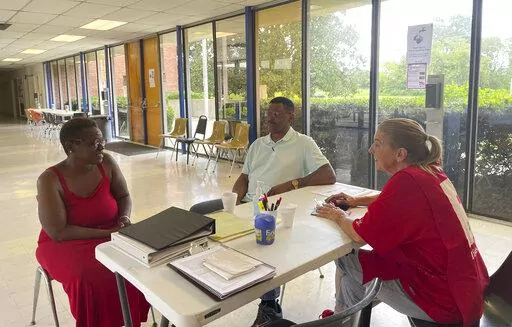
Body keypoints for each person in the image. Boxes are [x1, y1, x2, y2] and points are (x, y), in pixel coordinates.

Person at [316, 118, 489, 326]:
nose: (371, 150)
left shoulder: (407, 181)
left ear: (400, 154)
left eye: (378, 143)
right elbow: (394, 199)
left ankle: (340, 318)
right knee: (352, 283)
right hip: (464, 289)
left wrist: (337, 214)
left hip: (441, 297)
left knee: (345, 258)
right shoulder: (430, 171)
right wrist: (356, 200)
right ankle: (342, 319)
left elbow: (359, 234)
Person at [190, 96, 336, 326]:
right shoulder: (258, 144)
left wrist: (292, 184)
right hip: (248, 203)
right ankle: (200, 268)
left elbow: (328, 175)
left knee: (265, 244)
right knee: (197, 212)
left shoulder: (303, 143)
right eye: (269, 113)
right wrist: (236, 201)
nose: (270, 118)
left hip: (274, 210)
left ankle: (269, 305)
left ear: (291, 116)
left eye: (277, 113)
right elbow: (244, 177)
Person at [36, 118, 150, 327]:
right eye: (93, 143)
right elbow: (58, 232)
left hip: (111, 232)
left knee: (138, 263)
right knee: (91, 279)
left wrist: (123, 217)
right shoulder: (50, 180)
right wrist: (110, 232)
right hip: (66, 243)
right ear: (71, 146)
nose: (101, 146)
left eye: (102, 140)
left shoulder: (106, 163)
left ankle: (129, 320)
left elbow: (124, 196)